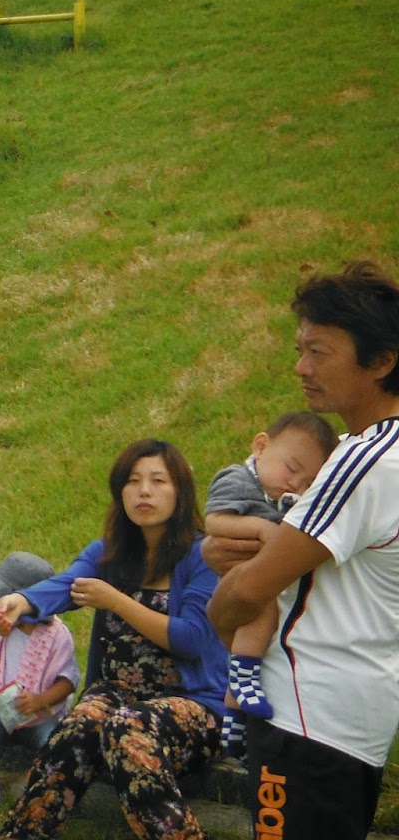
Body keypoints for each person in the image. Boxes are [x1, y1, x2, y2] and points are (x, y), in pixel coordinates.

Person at [207, 261, 399, 840]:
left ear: (382, 361)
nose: (301, 367)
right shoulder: (369, 451)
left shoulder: (366, 461)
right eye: (300, 349)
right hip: (349, 718)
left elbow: (249, 589)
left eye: (319, 352)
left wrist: (224, 603)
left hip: (307, 717)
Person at [0, 438, 226, 840]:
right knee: (77, 729)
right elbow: (67, 584)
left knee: (126, 727)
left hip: (193, 702)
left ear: (180, 492)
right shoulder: (108, 553)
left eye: (158, 481)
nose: (144, 491)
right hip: (115, 694)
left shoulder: (202, 556)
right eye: (132, 481)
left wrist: (116, 601)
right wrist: (20, 601)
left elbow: (192, 639)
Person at [201, 410, 336, 753]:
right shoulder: (237, 479)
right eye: (291, 469)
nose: (295, 485)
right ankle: (243, 675)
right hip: (243, 577)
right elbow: (215, 521)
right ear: (260, 446)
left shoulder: (282, 496)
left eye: (307, 483)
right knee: (261, 615)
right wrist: (262, 529)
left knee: (261, 626)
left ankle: (234, 718)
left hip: (262, 580)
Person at [0, 551, 80, 812]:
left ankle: (40, 785)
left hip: (41, 713)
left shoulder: (57, 636)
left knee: (52, 742)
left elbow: (68, 681)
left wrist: (40, 700)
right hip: (3, 708)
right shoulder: (3, 629)